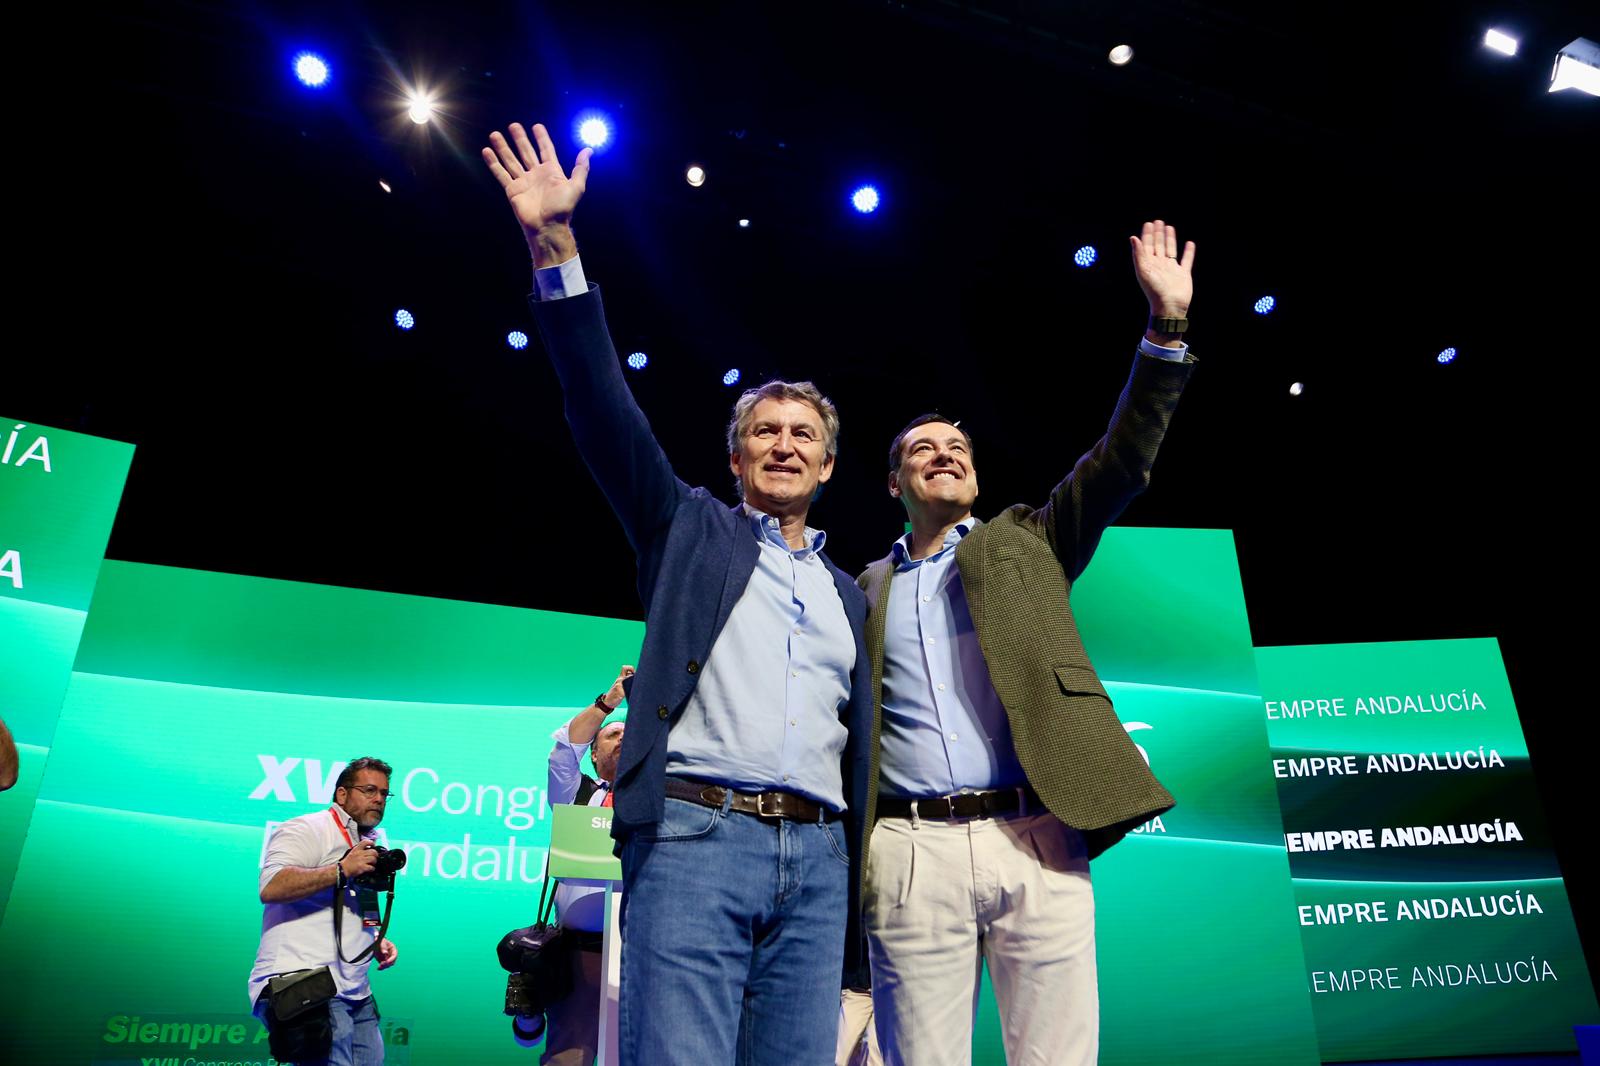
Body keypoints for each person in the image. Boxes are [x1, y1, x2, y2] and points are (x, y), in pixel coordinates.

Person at [481, 121, 873, 1066]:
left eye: (804, 436)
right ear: (736, 456)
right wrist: (555, 248)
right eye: (765, 431)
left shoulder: (851, 594)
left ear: (828, 465)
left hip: (820, 860)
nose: (784, 445)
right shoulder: (685, 527)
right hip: (697, 839)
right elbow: (601, 409)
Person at [858, 221, 1198, 1066]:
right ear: (895, 483)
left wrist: (1165, 330)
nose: (945, 456)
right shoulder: (859, 589)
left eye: (958, 448)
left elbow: (1121, 462)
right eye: (924, 450)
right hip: (910, 849)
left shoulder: (1029, 541)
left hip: (1037, 834)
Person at [249, 757, 400, 1066]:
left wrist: (374, 938)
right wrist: (341, 869)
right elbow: (271, 886)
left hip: (356, 991)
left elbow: (356, 903)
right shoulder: (306, 828)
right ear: (342, 794)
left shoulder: (368, 844)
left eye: (384, 793)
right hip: (305, 980)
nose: (378, 799)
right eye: (369, 790)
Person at [523, 665, 633, 1065]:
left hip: (640, 952)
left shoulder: (662, 798)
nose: (622, 738)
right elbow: (565, 749)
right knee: (570, 1057)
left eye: (629, 733)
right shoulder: (575, 793)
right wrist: (608, 704)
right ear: (595, 753)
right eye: (612, 735)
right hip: (579, 953)